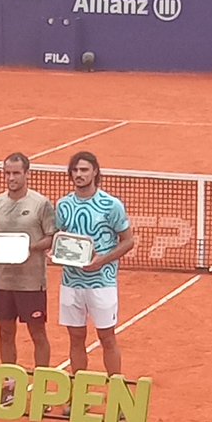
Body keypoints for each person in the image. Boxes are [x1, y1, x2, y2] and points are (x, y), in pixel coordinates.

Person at [56, 151, 133, 381]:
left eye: (84, 170)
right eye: (75, 170)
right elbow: (59, 238)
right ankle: (80, 395)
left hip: (102, 283)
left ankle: (117, 395)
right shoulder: (63, 205)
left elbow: (128, 241)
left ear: (95, 172)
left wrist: (102, 260)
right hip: (71, 283)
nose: (79, 175)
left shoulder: (111, 205)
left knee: (107, 338)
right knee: (75, 338)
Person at [0, 152, 56, 379]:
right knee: (5, 333)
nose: (11, 178)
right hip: (3, 281)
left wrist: (27, 247)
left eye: (16, 173)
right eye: (7, 173)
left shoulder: (41, 204)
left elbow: (51, 237)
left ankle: (42, 387)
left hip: (32, 283)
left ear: (26, 173)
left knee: (37, 333)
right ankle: (10, 383)